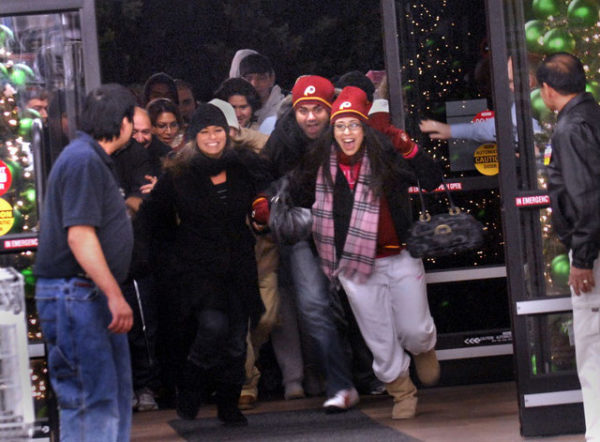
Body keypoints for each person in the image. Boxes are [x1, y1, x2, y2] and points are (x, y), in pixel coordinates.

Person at [283, 86, 442, 419]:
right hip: (355, 267)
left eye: (353, 125)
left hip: (399, 256)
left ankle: (424, 348)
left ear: (365, 128)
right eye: (340, 126)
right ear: (333, 131)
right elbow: (293, 194)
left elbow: (431, 180)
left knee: (414, 328)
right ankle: (401, 392)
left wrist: (409, 147)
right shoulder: (320, 164)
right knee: (379, 337)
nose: (346, 133)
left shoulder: (386, 157)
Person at [137, 103, 270, 426]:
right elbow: (155, 219)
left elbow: (265, 199)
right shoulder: (179, 173)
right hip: (197, 268)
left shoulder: (245, 166)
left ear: (228, 133)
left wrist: (262, 219)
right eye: (205, 132)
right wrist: (171, 259)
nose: (212, 138)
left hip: (239, 264)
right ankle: (191, 387)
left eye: (218, 130)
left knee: (237, 343)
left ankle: (228, 405)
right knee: (213, 328)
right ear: (194, 137)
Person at [34, 83, 136, 442]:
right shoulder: (83, 160)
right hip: (77, 294)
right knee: (92, 401)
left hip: (85, 294)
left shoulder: (90, 158)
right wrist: (114, 294)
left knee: (112, 398)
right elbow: (79, 235)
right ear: (122, 122)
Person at [260, 75, 358, 412]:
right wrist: (265, 201)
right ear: (295, 111)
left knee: (360, 302)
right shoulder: (283, 136)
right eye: (304, 110)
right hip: (303, 231)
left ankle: (379, 374)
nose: (311, 117)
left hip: (350, 228)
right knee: (313, 305)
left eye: (319, 109)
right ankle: (340, 384)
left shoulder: (346, 132)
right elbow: (260, 176)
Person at [538, 52, 600, 441]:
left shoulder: (570, 128)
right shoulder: (593, 116)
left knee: (592, 351)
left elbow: (587, 198)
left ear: (547, 90)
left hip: (594, 254)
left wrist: (582, 258)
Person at [419, 56, 541, 143]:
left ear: (529, 81)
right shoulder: (518, 109)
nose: (508, 87)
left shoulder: (544, 110)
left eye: (510, 81)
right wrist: (450, 130)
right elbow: (492, 128)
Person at [238, 53, 286, 131]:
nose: (254, 84)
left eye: (261, 78)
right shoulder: (233, 110)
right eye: (248, 78)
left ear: (271, 79)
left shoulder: (284, 111)